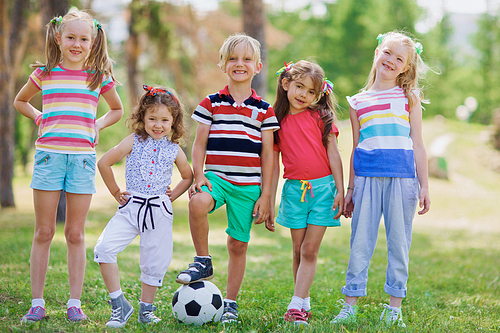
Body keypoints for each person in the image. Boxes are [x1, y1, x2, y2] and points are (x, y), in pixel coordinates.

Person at [13, 10, 124, 323]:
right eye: (71, 37)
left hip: (82, 160)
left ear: (93, 41)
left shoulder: (97, 76)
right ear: (59, 38)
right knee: (44, 231)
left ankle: (75, 303)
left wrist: (95, 125)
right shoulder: (46, 72)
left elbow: (117, 110)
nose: (77, 44)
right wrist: (39, 117)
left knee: (75, 233)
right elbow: (20, 101)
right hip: (49, 156)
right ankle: (37, 303)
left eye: (84, 39)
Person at [175, 33, 279, 324]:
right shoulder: (212, 103)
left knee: (238, 245)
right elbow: (199, 144)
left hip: (248, 187)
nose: (239, 64)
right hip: (216, 178)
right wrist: (198, 174)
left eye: (247, 59)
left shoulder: (264, 110)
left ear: (257, 66)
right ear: (223, 64)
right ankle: (203, 261)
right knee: (197, 204)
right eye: (233, 58)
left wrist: (267, 195)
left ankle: (230, 302)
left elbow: (268, 155)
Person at [331, 31, 431, 327]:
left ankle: (394, 307)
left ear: (405, 68)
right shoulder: (357, 101)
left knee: (399, 243)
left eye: (399, 59)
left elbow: (419, 144)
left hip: (403, 179)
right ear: (377, 53)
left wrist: (424, 185)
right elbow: (355, 146)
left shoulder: (409, 97)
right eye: (387, 52)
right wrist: (350, 188)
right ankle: (350, 304)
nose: (391, 60)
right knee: (360, 242)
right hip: (366, 179)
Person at [93, 85, 193, 327]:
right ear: (142, 118)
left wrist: (172, 196)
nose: (157, 125)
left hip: (158, 211)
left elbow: (187, 176)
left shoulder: (174, 149)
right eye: (152, 118)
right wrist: (116, 192)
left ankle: (145, 310)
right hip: (131, 207)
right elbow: (105, 162)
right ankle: (119, 305)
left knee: (154, 262)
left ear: (173, 121)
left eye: (164, 120)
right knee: (104, 249)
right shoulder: (133, 141)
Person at [269, 60, 344, 325]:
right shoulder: (276, 121)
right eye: (299, 87)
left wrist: (341, 190)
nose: (303, 95)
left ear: (318, 95)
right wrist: (269, 199)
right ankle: (303, 300)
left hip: (324, 190)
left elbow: (333, 154)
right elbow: (274, 165)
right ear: (286, 83)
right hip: (293, 192)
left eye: (311, 92)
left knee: (311, 250)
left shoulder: (321, 118)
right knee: (298, 250)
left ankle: (295, 306)